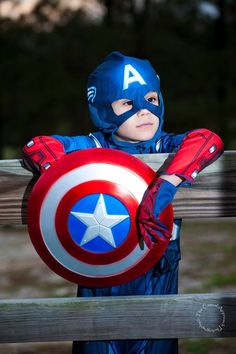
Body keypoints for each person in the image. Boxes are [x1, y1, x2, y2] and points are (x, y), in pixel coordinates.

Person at [22, 51, 223, 354]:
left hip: (158, 279)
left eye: (152, 100)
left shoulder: (165, 145)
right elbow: (37, 146)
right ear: (104, 108)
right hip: (100, 281)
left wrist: (166, 183)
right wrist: (64, 180)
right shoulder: (91, 146)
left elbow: (208, 140)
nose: (145, 112)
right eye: (128, 103)